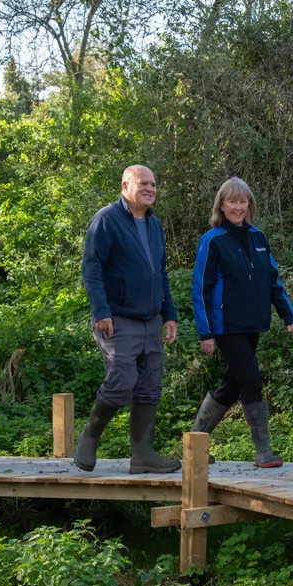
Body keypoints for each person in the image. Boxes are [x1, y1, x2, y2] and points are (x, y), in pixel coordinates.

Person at [75, 165, 181, 474]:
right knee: (122, 380)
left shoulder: (154, 225)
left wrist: (169, 314)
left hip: (150, 320)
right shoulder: (107, 220)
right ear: (125, 186)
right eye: (143, 183)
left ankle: (143, 456)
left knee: (149, 386)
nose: (150, 188)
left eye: (153, 183)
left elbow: (160, 273)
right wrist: (101, 310)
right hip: (117, 317)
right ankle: (90, 436)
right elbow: (91, 268)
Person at [190, 177, 293, 468]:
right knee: (251, 379)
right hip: (226, 325)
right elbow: (201, 287)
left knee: (233, 383)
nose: (238, 207)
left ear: (248, 205)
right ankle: (263, 451)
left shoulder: (258, 237)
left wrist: (287, 313)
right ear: (221, 206)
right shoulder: (212, 240)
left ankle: (195, 441)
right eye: (232, 202)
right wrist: (206, 332)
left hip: (253, 322)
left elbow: (273, 279)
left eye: (242, 202)